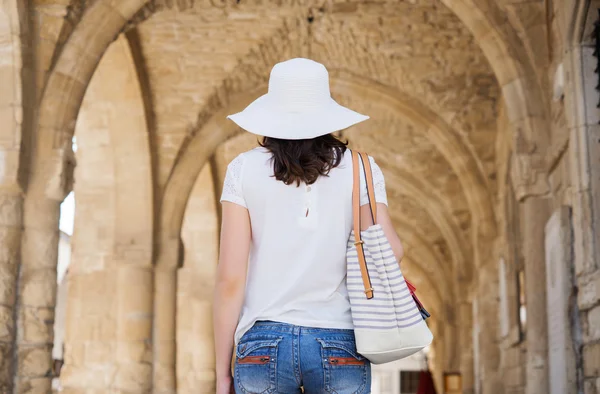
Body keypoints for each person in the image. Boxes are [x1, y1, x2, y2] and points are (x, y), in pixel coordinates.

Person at [213, 58, 405, 394]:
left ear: (271, 112)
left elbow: (230, 279)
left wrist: (221, 372)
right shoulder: (361, 168)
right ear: (326, 113)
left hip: (262, 342)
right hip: (340, 340)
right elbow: (392, 252)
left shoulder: (242, 169)